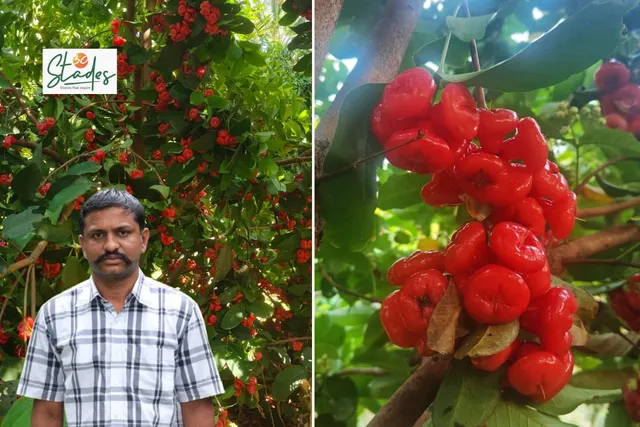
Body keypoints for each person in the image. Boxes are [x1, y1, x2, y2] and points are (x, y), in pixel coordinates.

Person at [17, 188, 224, 427]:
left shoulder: (180, 311)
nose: (111, 245)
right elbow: (47, 413)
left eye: (123, 232)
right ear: (83, 244)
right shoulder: (54, 315)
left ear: (143, 239)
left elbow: (197, 408)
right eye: (97, 235)